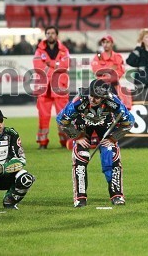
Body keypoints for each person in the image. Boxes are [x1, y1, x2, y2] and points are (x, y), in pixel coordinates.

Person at [57, 79, 135, 207]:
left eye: (97, 98)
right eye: (92, 96)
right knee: (80, 157)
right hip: (83, 127)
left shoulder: (113, 102)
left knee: (111, 156)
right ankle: (80, 197)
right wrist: (77, 136)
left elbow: (129, 122)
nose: (93, 100)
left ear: (104, 98)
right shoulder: (79, 101)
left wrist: (113, 138)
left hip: (106, 127)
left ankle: (117, 195)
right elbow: (61, 120)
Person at [33, 26, 71, 149]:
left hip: (60, 87)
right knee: (43, 117)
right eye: (48, 33)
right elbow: (38, 66)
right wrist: (56, 66)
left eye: (53, 33)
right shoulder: (39, 50)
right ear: (45, 35)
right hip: (44, 88)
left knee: (63, 116)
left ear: (57, 35)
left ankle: (65, 142)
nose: (50, 35)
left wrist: (49, 64)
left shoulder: (64, 50)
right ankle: (42, 143)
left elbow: (65, 66)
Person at [91, 35, 132, 109]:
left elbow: (119, 73)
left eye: (107, 42)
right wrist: (110, 69)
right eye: (103, 42)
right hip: (100, 86)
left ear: (112, 43)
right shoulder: (98, 57)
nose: (105, 44)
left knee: (122, 102)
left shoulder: (117, 57)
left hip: (115, 87)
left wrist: (104, 72)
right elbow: (96, 71)